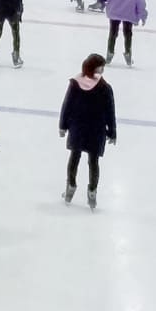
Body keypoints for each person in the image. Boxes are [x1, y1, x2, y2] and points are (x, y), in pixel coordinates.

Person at [58, 54, 116, 209]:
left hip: (78, 127)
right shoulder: (105, 87)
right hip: (96, 130)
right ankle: (92, 191)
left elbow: (67, 105)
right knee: (93, 161)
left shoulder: (75, 83)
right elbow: (110, 111)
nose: (103, 69)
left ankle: (70, 186)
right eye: (101, 66)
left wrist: (63, 126)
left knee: (74, 157)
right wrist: (112, 132)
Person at [104, 0, 146, 67]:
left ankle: (109, 53)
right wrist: (142, 15)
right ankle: (128, 53)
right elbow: (140, 1)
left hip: (115, 12)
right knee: (128, 34)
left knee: (113, 33)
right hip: (129, 13)